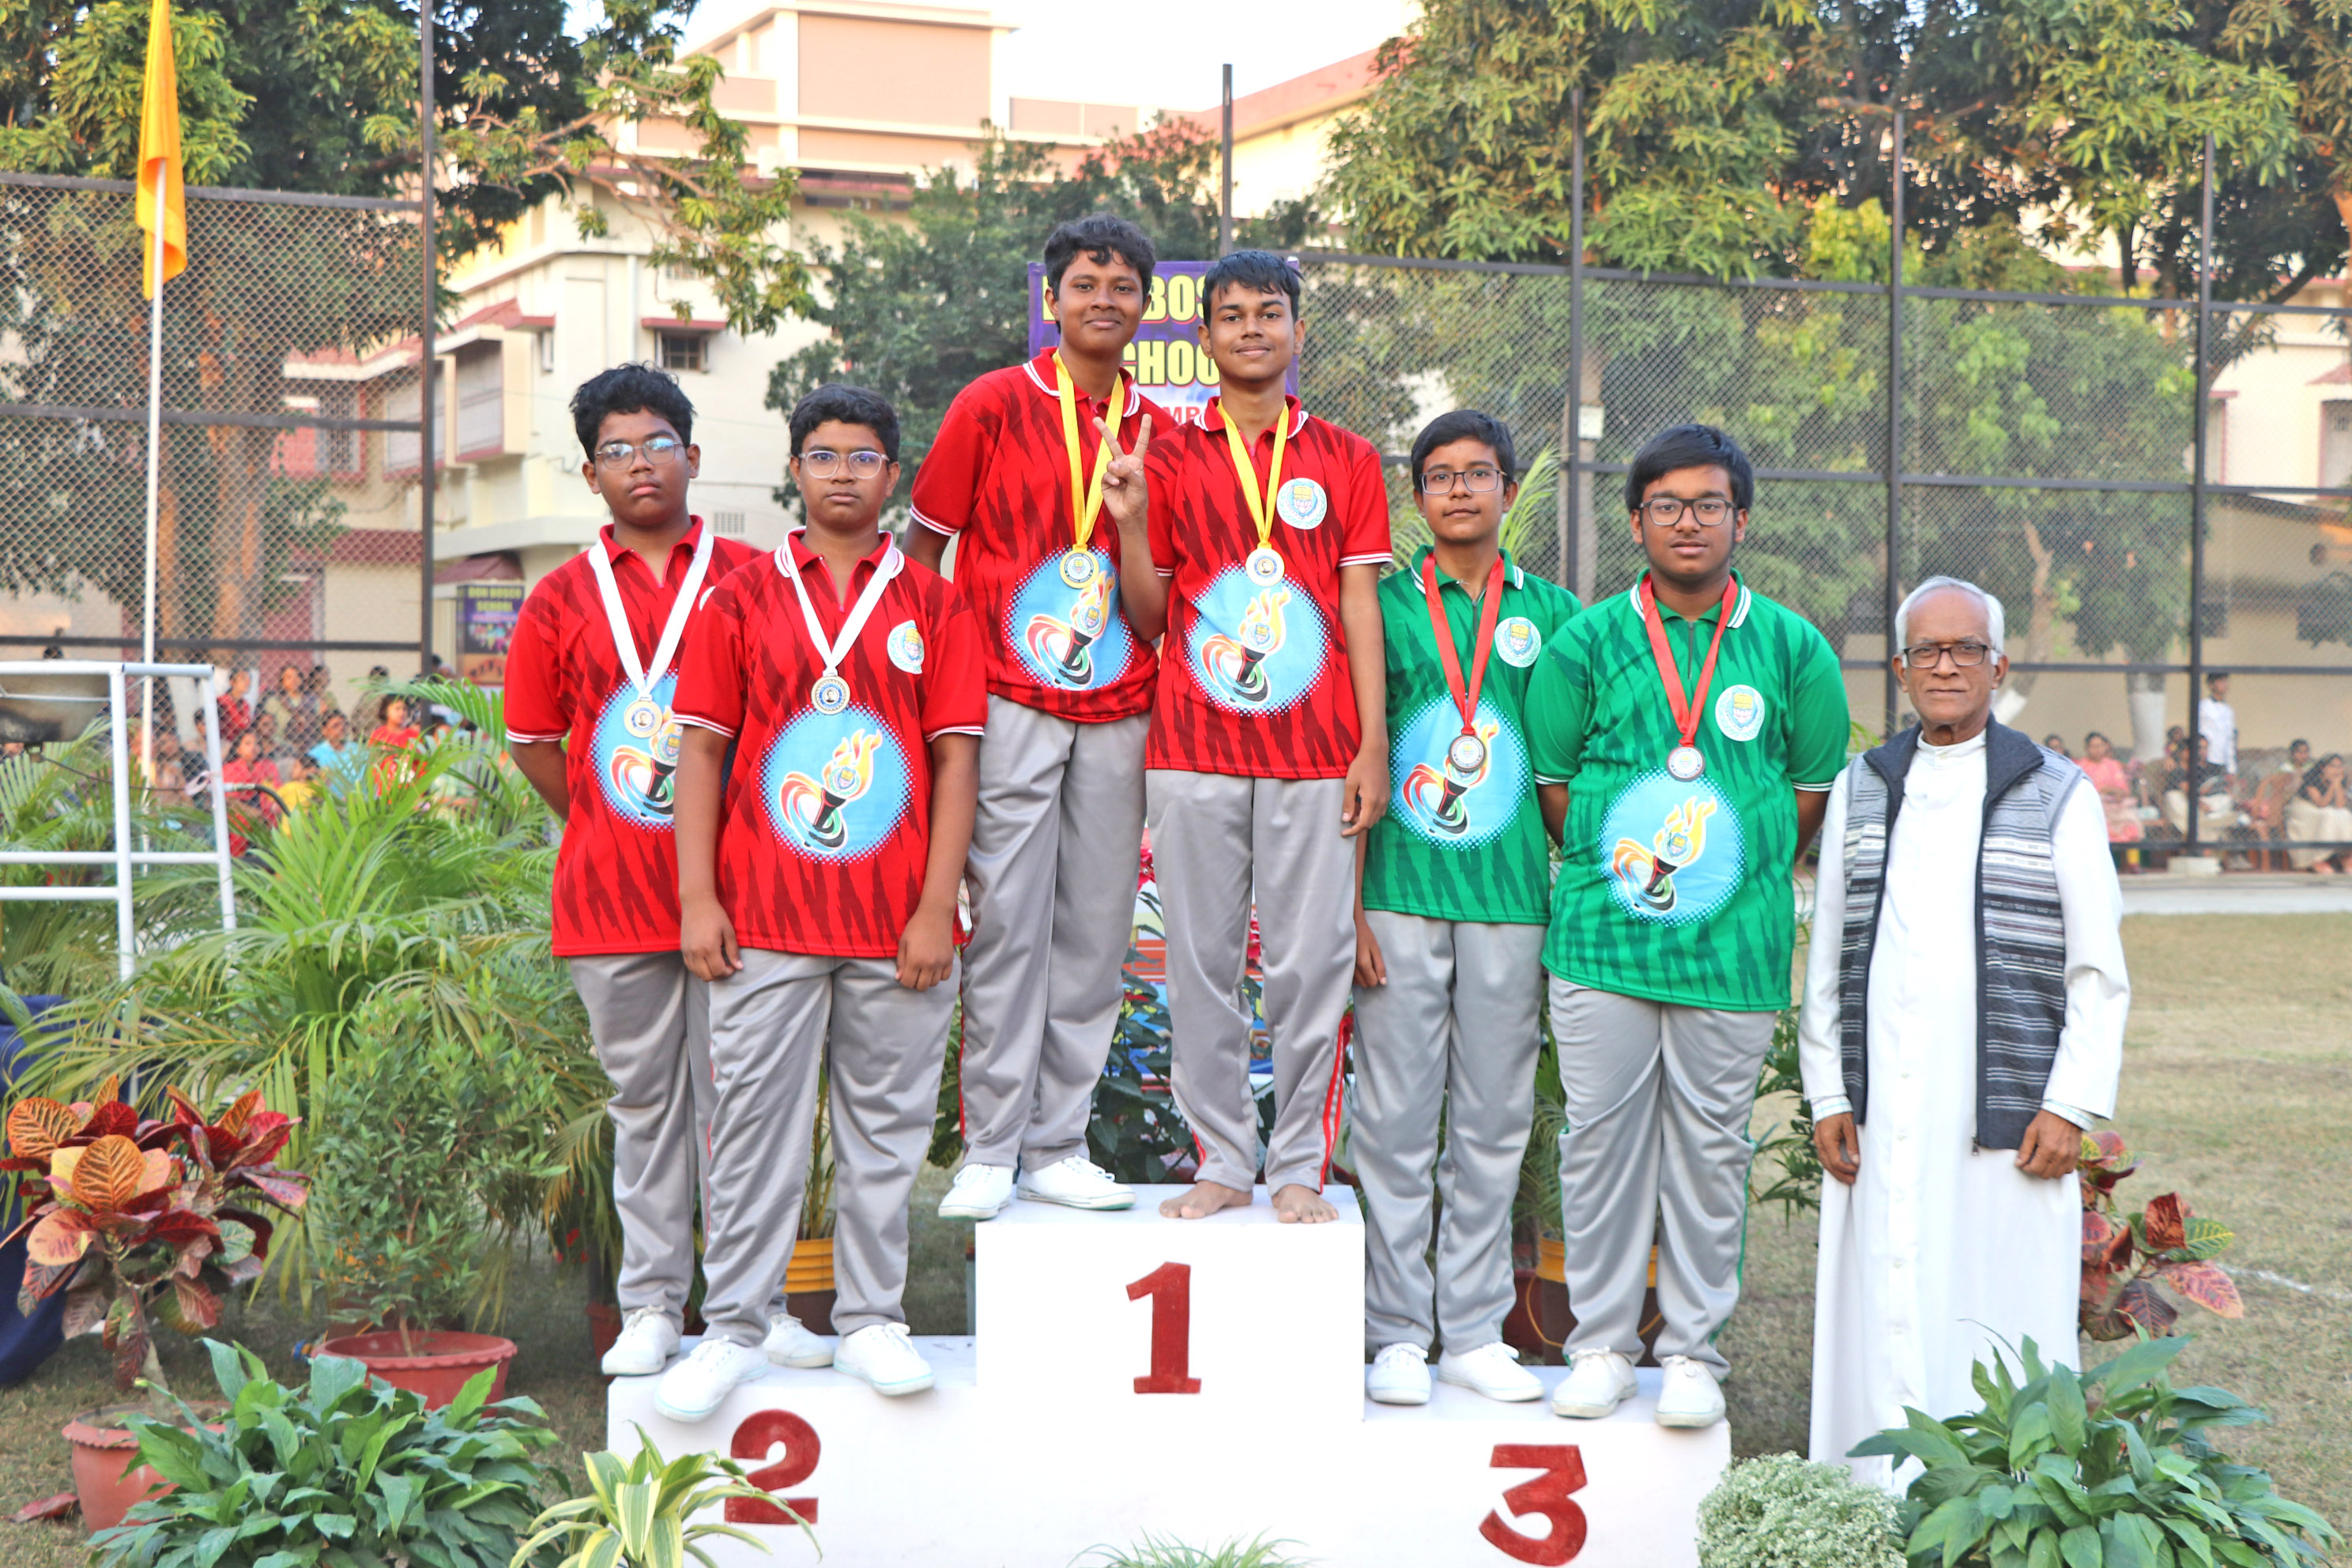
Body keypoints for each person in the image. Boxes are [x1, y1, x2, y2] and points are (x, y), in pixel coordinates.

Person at [662, 385, 984, 1419]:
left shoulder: (935, 604)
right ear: (794, 471)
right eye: (824, 455)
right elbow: (701, 753)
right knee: (753, 1126)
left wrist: (935, 908)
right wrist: (698, 897)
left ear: (894, 476)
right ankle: (733, 1328)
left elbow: (955, 762)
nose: (843, 473)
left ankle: (873, 1318)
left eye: (864, 456)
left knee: (886, 1132)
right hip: (764, 917)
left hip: (895, 924)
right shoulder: (739, 599)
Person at [1525, 424, 1848, 1430]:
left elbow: (1809, 792)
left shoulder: (1791, 647)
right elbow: (1553, 784)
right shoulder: (1586, 642)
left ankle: (1694, 1353)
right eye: (1666, 505)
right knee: (1600, 1143)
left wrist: (1723, 873)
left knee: (1711, 1150)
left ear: (1741, 518)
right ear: (1636, 522)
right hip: (1603, 942)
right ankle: (1601, 1346)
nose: (1689, 522)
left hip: (1732, 947)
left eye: (1710, 504)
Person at [1800, 575, 2127, 1487]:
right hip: (1880, 1106)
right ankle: (1873, 1496)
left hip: (2005, 1113)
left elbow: (2098, 970)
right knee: (1884, 1291)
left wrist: (2069, 1103)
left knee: (1996, 1304)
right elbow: (1826, 955)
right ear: (1899, 668)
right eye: (1928, 650)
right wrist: (1827, 1091)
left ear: (1999, 665)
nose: (1946, 666)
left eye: (1966, 649)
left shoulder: (2057, 792)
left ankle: (2005, 1500)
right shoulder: (1862, 787)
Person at [1110, 249, 1392, 1225]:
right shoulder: (1168, 455)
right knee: (1200, 963)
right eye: (1231, 316)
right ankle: (1225, 1156)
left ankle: (1300, 1163)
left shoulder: (1348, 458)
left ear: (1298, 331)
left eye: (1269, 313)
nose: (1251, 330)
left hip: (1315, 753)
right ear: (1205, 337)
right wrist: (1133, 524)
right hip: (1194, 748)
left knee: (1309, 966)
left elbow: (1359, 607)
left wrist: (1371, 745)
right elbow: (1151, 616)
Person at [503, 364, 765, 1381]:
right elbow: (534, 743)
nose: (640, 464)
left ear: (692, 456)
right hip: (612, 902)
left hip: (744, 896)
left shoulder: (753, 578)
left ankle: (746, 1310)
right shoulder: (558, 597)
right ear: (591, 475)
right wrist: (603, 819)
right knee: (647, 1108)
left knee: (739, 1107)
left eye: (658, 444)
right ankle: (653, 1305)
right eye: (616, 451)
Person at [906, 217, 1170, 1222]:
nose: (1104, 299)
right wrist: (937, 683)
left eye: (1123, 286)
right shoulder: (992, 404)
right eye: (1086, 284)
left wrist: (1133, 518)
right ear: (1052, 299)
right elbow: (924, 551)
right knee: (1010, 921)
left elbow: (1157, 597)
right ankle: (991, 1146)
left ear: (1145, 306)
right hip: (1007, 695)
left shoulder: (1159, 429)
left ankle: (1059, 1144)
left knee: (1096, 932)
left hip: (1120, 703)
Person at [1351, 411, 1579, 1408]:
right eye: (1439, 476)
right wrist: (1349, 906)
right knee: (1394, 1125)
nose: (1458, 490)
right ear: (1416, 497)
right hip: (1398, 892)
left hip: (1510, 900)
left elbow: (1574, 758)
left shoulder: (1558, 615)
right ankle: (1397, 1332)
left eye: (1477, 474)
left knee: (1491, 1125)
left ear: (1508, 490)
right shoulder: (1380, 605)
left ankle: (1476, 1332)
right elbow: (1346, 756)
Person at [2161, 733, 2234, 842]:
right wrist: (2201, 804)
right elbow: (2188, 790)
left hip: (2200, 803)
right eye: (2189, 750)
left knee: (2224, 800)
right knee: (2174, 797)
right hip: (2184, 804)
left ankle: (2208, 830)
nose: (2198, 753)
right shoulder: (2176, 770)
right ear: (2181, 752)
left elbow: (2203, 790)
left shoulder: (2200, 769)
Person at [2286, 753, 2352, 873]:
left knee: (2345, 814)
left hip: (2325, 809)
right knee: (2328, 814)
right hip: (2304, 809)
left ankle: (2346, 855)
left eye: (2339, 766)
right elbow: (2321, 803)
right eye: (2333, 766)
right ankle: (2318, 858)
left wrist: (2337, 784)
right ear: (2323, 768)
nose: (2337, 770)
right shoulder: (2312, 779)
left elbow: (2340, 805)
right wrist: (2333, 785)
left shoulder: (2341, 779)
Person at [2077, 731, 2142, 848]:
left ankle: (2131, 858)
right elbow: (2083, 791)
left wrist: (2115, 792)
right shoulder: (2081, 767)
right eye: (2093, 746)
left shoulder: (2113, 765)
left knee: (2131, 823)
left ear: (2105, 747)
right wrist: (2105, 790)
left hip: (2117, 805)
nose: (2097, 750)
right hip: (2095, 807)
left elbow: (2124, 789)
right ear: (2087, 748)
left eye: (2100, 746)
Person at [220, 727, 282, 828]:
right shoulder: (229, 769)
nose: (253, 747)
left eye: (257, 744)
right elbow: (230, 801)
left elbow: (278, 792)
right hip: (240, 821)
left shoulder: (268, 766)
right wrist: (257, 815)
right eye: (248, 744)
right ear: (238, 749)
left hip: (268, 819)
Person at [262, 664, 322, 752]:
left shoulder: (312, 700)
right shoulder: (274, 701)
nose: (294, 680)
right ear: (282, 682)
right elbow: (267, 728)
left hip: (310, 746)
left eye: (297, 676)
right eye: (289, 677)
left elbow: (318, 725)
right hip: (280, 747)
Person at [308, 710, 364, 792]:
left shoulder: (358, 749)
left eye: (344, 725)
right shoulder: (315, 755)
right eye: (335, 726)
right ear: (324, 731)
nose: (341, 728)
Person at [2198, 671, 2237, 777]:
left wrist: (2231, 768)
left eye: (2226, 681)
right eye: (2221, 681)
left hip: (2223, 761)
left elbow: (2230, 739)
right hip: (2207, 759)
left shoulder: (2228, 710)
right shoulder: (2204, 706)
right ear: (2211, 685)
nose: (2225, 684)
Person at [215, 669, 253, 742]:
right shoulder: (222, 701)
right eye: (243, 678)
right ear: (232, 682)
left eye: (249, 679)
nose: (248, 682)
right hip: (223, 741)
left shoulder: (245, 704)